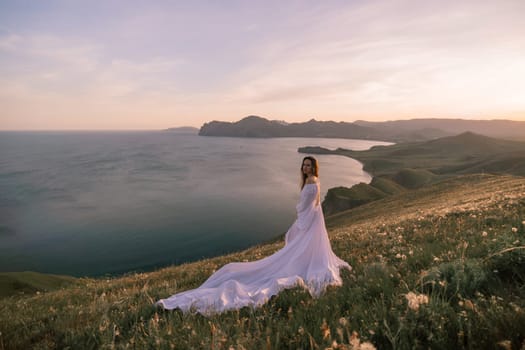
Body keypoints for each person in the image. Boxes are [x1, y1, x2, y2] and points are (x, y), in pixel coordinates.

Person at [156, 156, 351, 314]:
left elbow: (304, 205)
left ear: (313, 167)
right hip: (313, 219)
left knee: (291, 255)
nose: (305, 167)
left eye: (308, 165)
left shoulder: (309, 181)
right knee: (303, 249)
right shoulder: (315, 181)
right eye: (304, 164)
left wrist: (301, 220)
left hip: (308, 220)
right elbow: (315, 203)